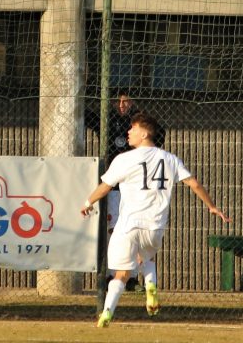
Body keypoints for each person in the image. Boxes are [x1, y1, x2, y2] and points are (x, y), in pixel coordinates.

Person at [80, 112, 230, 328]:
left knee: (121, 273)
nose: (128, 132)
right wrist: (212, 207)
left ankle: (107, 312)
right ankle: (151, 286)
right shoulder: (170, 159)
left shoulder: (123, 159)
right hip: (155, 226)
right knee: (146, 259)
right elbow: (194, 183)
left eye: (132, 129)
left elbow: (105, 186)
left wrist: (87, 202)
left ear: (144, 133)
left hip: (128, 225)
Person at [106, 91, 142, 291]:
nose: (122, 105)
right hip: (115, 188)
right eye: (118, 101)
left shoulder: (138, 123)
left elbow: (159, 133)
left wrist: (139, 117)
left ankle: (133, 278)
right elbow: (88, 117)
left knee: (134, 232)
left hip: (134, 187)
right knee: (113, 230)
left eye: (126, 101)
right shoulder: (108, 121)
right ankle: (112, 274)